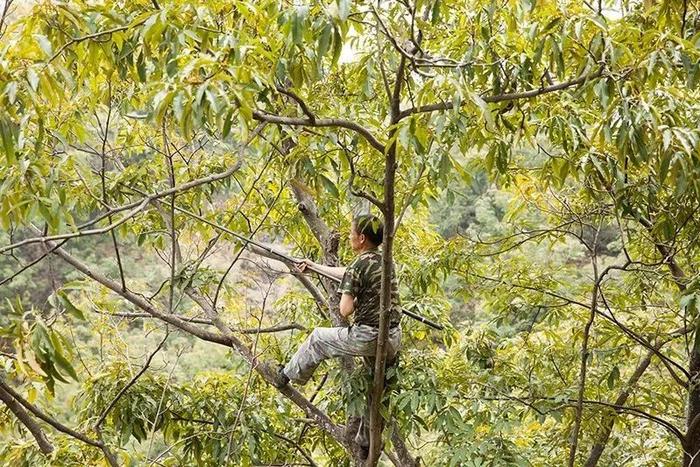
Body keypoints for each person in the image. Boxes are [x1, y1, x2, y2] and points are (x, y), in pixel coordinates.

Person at [273, 214, 402, 388]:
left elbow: (345, 310)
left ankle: (285, 376)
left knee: (317, 338)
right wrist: (314, 266)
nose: (349, 237)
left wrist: (357, 299)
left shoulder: (359, 265)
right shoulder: (386, 261)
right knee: (377, 387)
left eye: (351, 233)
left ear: (362, 238)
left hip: (369, 337)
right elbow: (349, 273)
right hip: (393, 337)